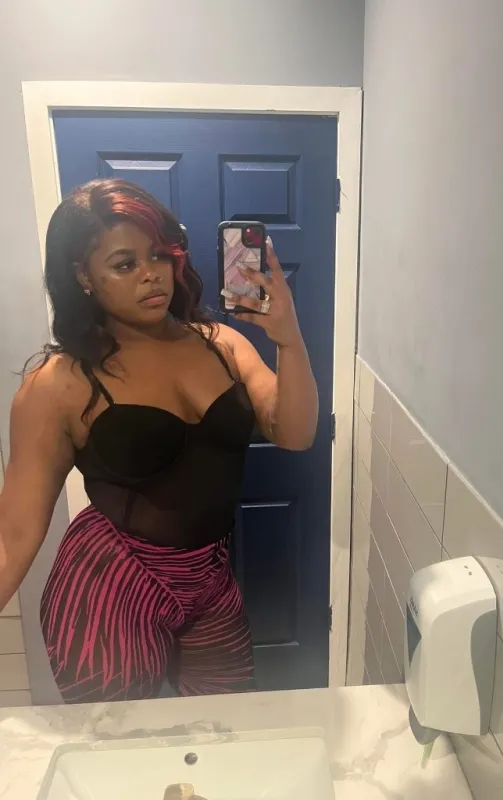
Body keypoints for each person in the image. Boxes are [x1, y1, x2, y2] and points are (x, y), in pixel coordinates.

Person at [0, 179, 318, 703]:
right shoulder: (59, 384)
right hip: (108, 585)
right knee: (122, 742)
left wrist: (288, 338)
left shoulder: (221, 344)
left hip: (210, 580)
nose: (152, 274)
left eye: (159, 255)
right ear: (83, 276)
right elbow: (13, 537)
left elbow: (296, 432)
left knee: (226, 728)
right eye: (124, 264)